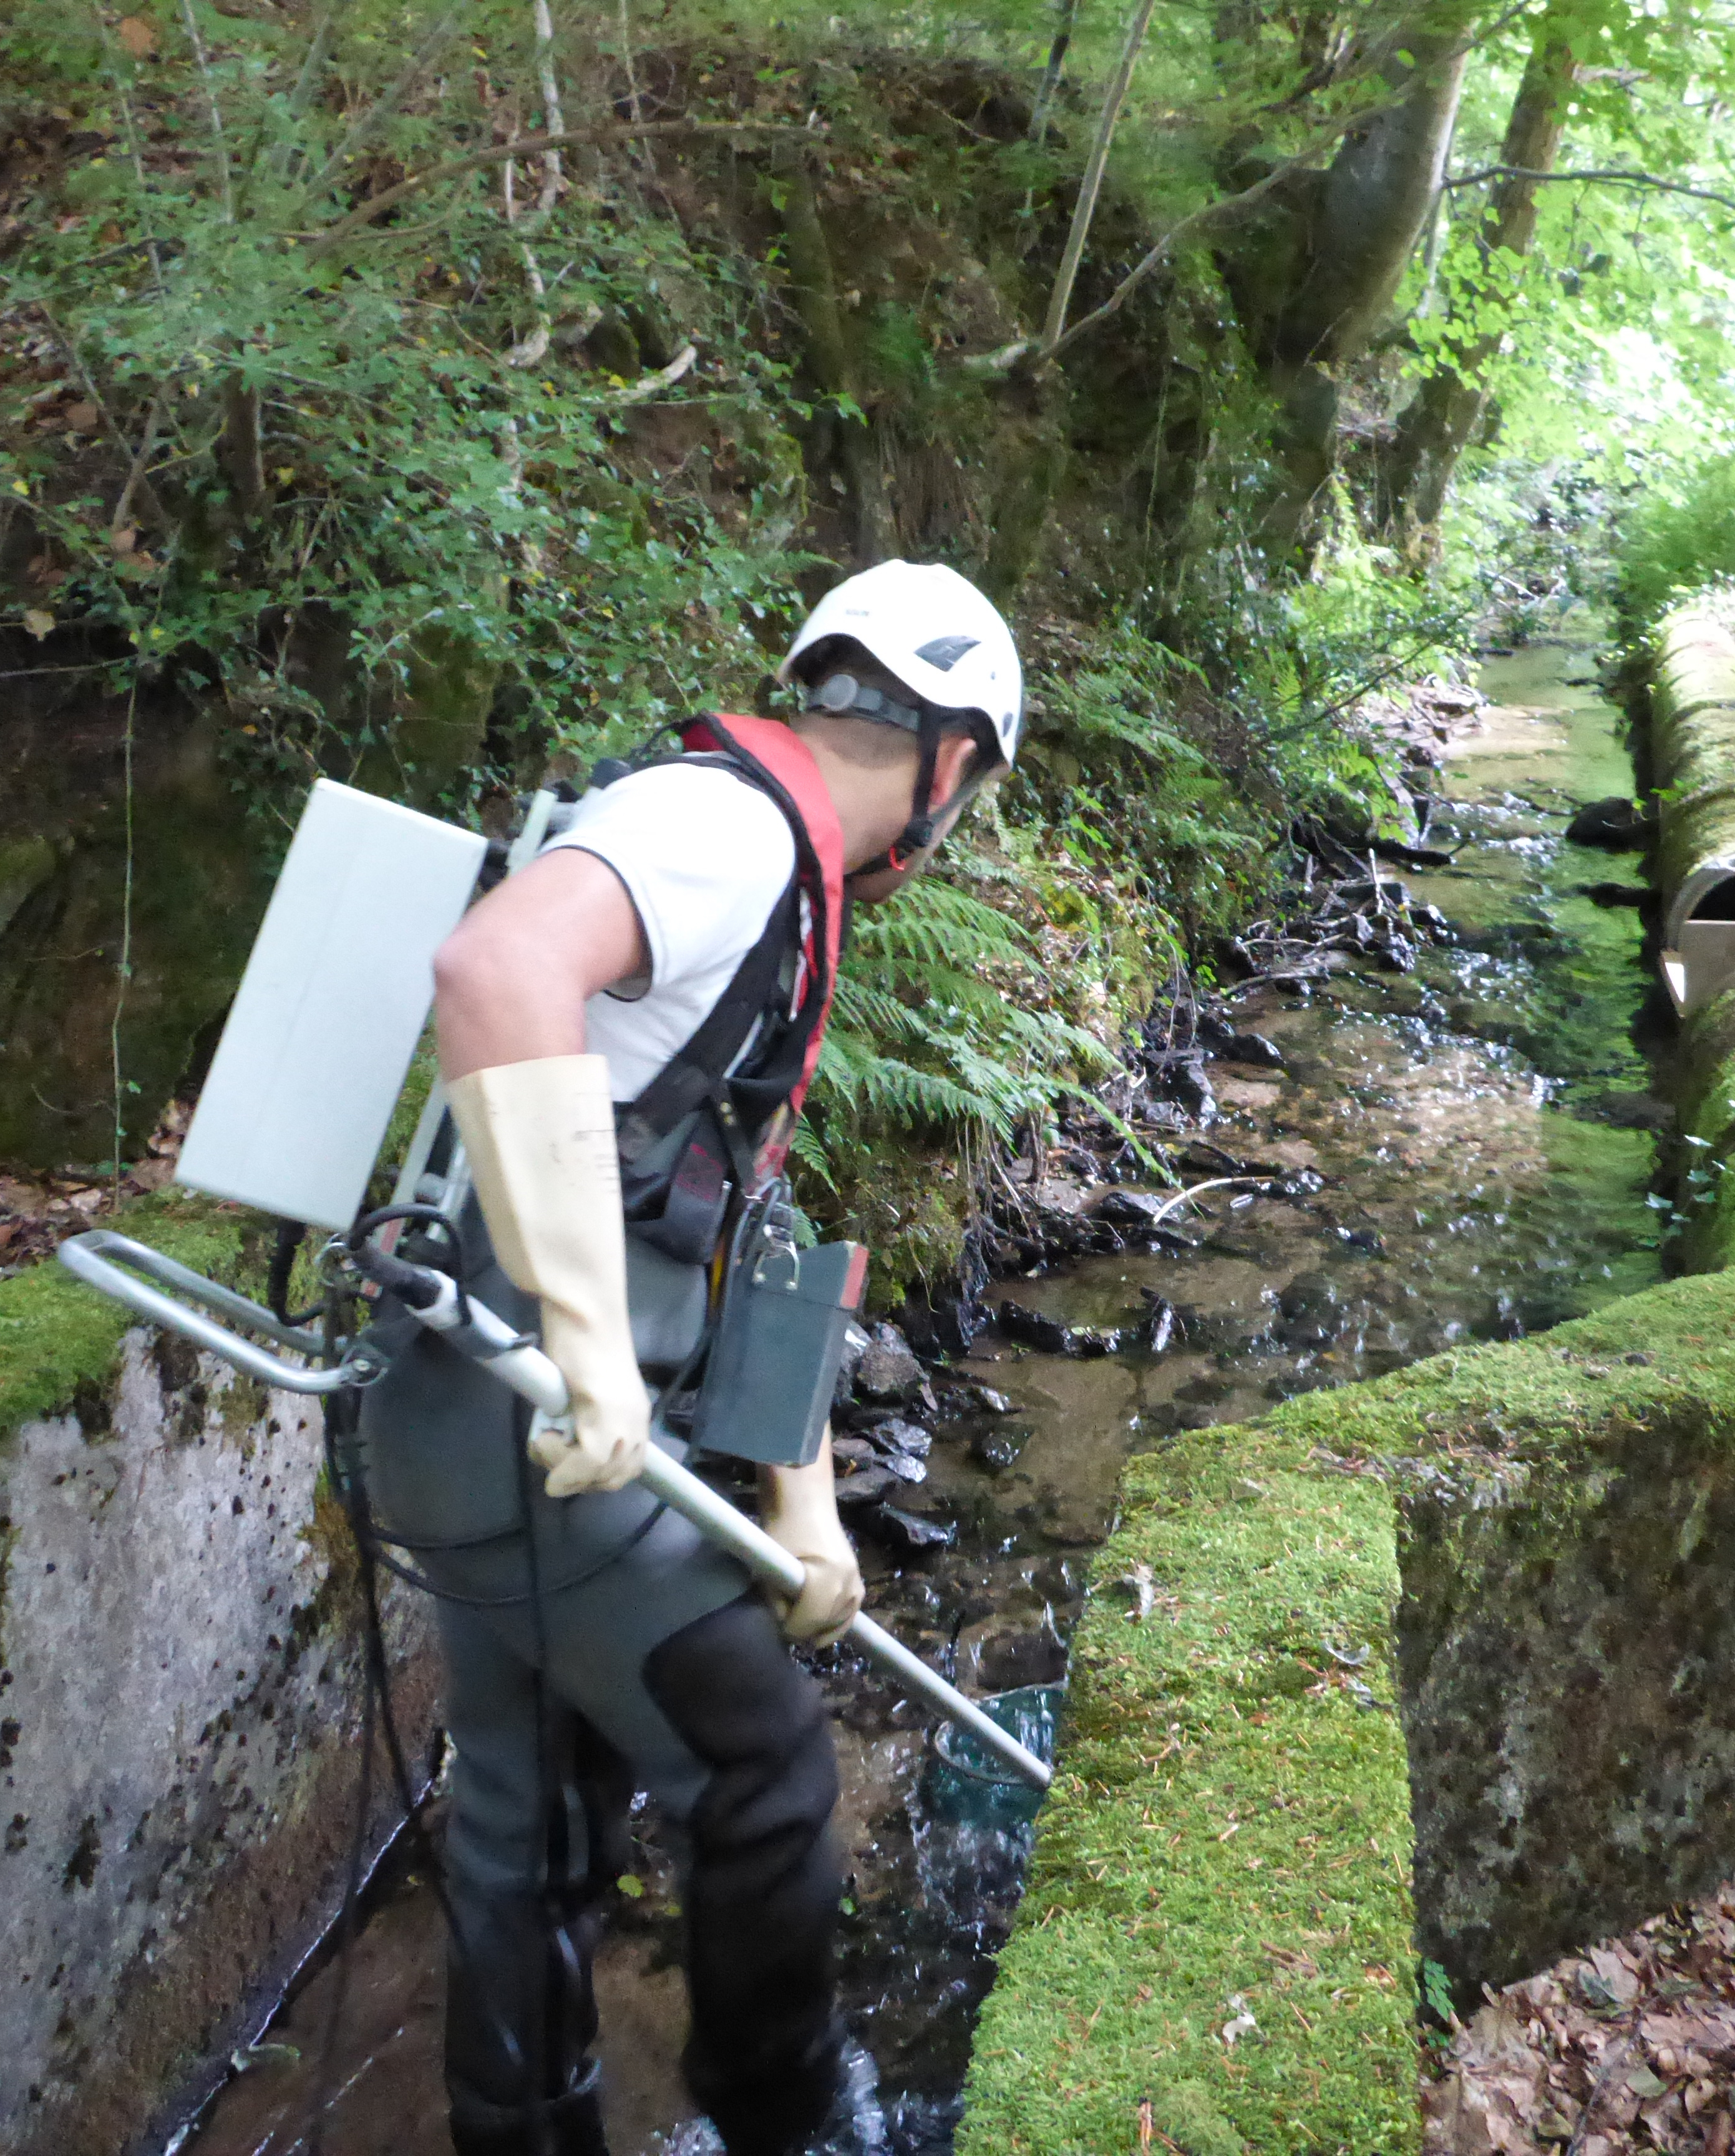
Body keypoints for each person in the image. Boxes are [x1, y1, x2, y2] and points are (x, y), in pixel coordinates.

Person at [352, 560, 1024, 2156]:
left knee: (533, 1830)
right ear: (949, 765)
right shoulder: (728, 831)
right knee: (770, 1782)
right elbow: (498, 972)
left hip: (490, 1433)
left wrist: (808, 1504)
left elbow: (747, 1230)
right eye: (977, 794)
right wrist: (588, 1337)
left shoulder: (776, 877)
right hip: (529, 1419)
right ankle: (797, 2132)